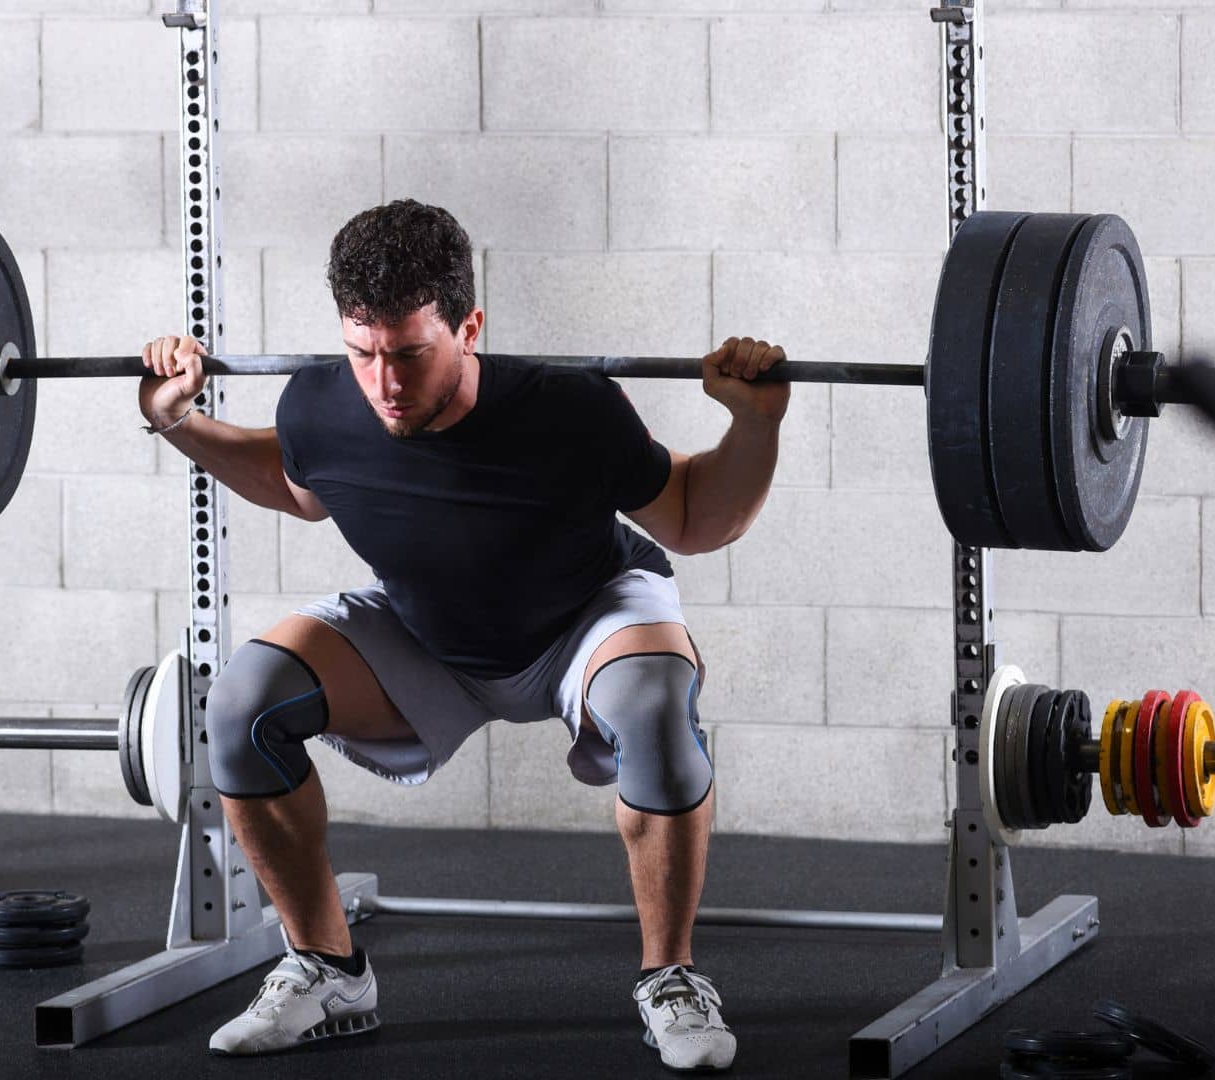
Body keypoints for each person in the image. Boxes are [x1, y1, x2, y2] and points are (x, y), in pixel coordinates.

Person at [138, 199, 787, 1071]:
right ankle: (329, 970)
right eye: (363, 353)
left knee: (658, 712)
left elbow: (698, 516)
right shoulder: (323, 406)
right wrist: (178, 419)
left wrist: (755, 422)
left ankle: (670, 979)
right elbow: (295, 483)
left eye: (410, 353)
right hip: (426, 628)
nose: (386, 384)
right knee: (243, 706)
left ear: (468, 327)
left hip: (583, 618)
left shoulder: (569, 409)